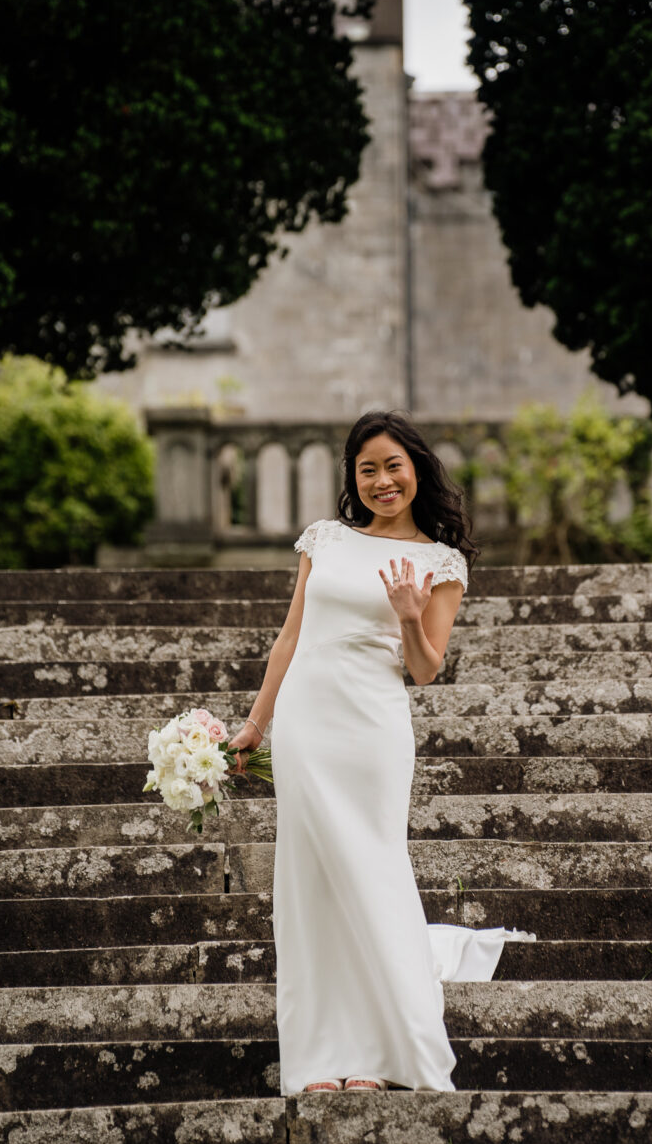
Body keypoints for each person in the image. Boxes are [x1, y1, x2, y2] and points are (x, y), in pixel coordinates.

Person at [227, 410, 533, 1096]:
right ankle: (316, 1054)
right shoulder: (325, 541)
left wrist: (404, 612)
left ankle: (377, 1054)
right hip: (307, 720)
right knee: (310, 881)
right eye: (367, 469)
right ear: (353, 478)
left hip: (372, 727)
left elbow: (424, 669)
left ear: (416, 468)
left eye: (393, 465)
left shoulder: (438, 562)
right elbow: (288, 639)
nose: (382, 480)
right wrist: (255, 725)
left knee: (372, 867)